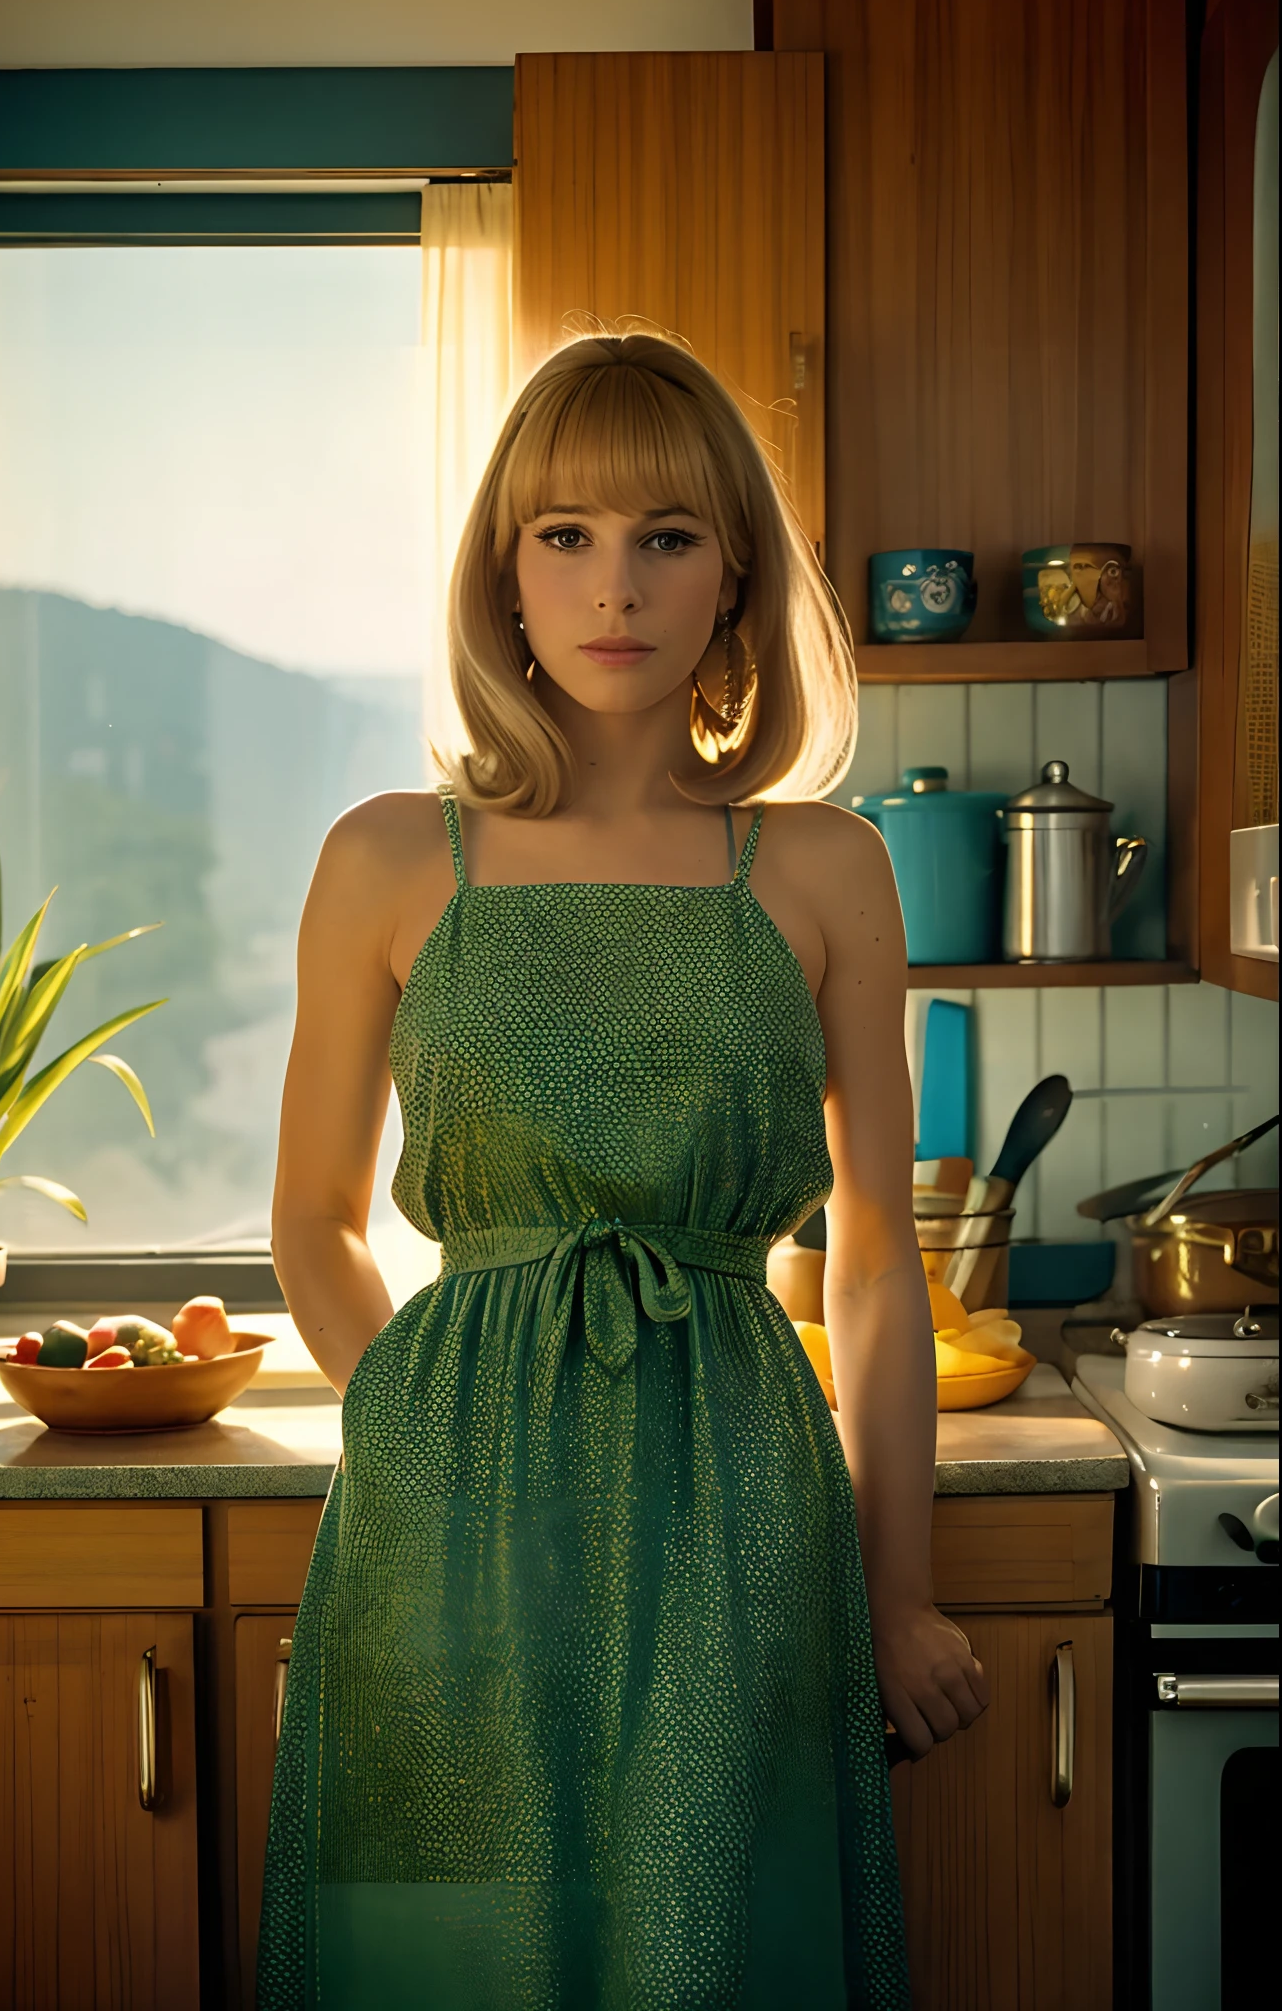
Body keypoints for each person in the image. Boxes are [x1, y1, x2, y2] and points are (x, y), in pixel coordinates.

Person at [257, 333, 988, 2010]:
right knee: (448, 1953)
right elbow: (309, 1225)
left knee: (707, 1948)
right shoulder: (384, 855)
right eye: (564, 533)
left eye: (666, 536)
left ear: (734, 575)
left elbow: (876, 1257)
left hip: (739, 1506)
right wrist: (428, 1445)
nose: (615, 585)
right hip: (443, 1524)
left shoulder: (823, 866)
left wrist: (898, 1588)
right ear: (502, 574)